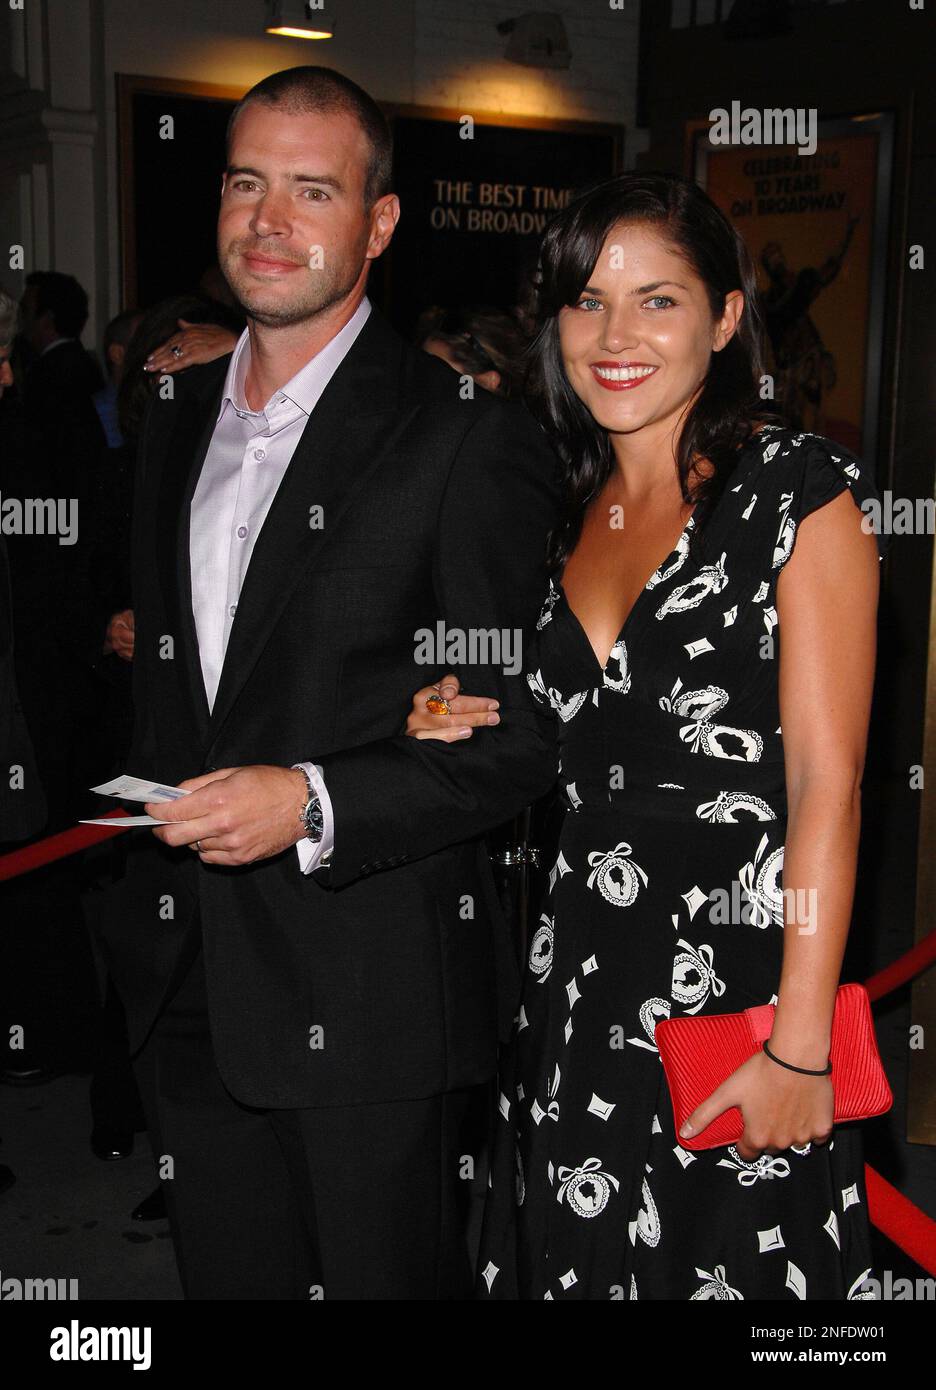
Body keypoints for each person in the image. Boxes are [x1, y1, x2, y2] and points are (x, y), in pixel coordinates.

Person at [92, 64, 560, 1300]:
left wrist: (309, 798)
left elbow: (512, 743)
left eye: (314, 190)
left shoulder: (464, 433)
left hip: (366, 994)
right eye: (248, 183)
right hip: (183, 973)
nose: (269, 221)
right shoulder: (174, 411)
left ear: (380, 224)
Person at [404, 172, 886, 1299]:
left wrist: (801, 1044)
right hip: (577, 977)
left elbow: (830, 781)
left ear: (724, 319)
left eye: (658, 300)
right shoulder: (572, 511)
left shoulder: (794, 493)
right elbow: (575, 740)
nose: (616, 336)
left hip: (745, 981)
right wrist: (451, 707)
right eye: (587, 301)